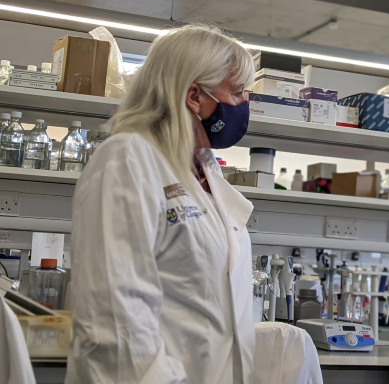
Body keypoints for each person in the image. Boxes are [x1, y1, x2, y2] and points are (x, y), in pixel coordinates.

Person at [66, 25, 257, 383]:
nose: (244, 106)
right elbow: (116, 321)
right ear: (194, 97)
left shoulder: (202, 172)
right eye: (237, 93)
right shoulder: (127, 160)